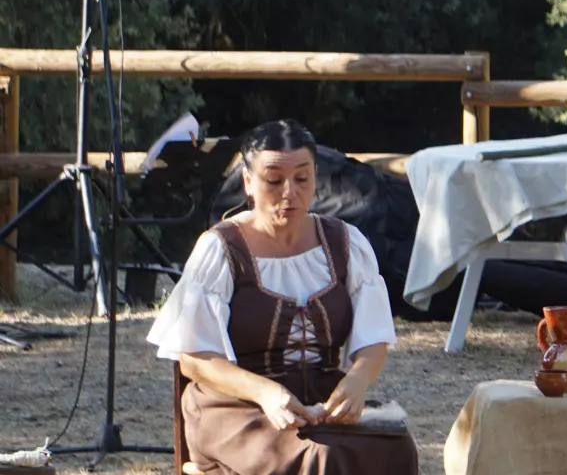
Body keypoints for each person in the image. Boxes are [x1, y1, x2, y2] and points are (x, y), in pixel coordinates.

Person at [149, 119, 419, 475]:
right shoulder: (221, 248)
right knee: (321, 459)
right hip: (234, 407)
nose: (289, 192)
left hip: (317, 400)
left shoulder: (345, 242)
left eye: (302, 178)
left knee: (395, 446)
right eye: (274, 180)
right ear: (249, 181)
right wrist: (266, 393)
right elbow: (194, 360)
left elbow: (374, 341)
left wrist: (356, 382)